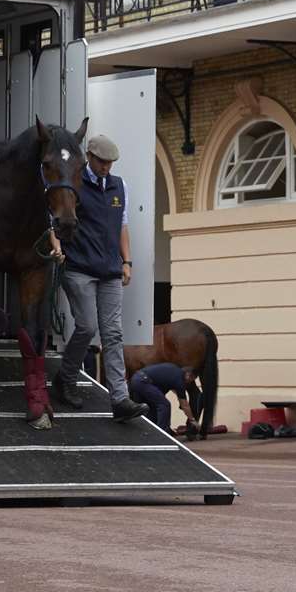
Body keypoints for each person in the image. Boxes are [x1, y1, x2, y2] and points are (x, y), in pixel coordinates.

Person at [53, 133, 148, 423]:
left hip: (110, 271)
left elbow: (122, 226)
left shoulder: (120, 187)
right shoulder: (75, 182)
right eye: (102, 162)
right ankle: (66, 376)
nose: (107, 167)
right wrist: (57, 249)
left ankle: (119, 399)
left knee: (113, 334)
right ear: (90, 158)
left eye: (110, 163)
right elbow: (54, 219)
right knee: (86, 327)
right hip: (79, 267)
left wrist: (127, 261)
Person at [128, 362, 196, 435]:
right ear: (188, 375)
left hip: (135, 379)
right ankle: (162, 434)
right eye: (191, 380)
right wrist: (192, 420)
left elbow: (172, 389)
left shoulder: (173, 371)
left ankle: (148, 432)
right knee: (165, 405)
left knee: (152, 407)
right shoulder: (179, 380)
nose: (189, 383)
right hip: (143, 382)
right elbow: (184, 405)